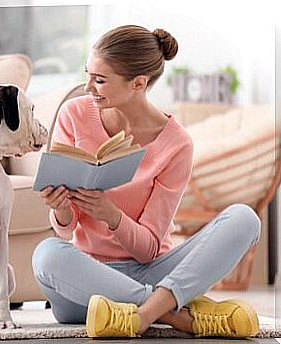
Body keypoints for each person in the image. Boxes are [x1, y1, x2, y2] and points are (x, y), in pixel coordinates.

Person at [32, 25, 261, 338]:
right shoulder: (74, 114)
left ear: (138, 83)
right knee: (47, 254)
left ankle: (141, 315)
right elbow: (67, 229)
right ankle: (175, 317)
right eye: (88, 74)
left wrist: (111, 215)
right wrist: (59, 209)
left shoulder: (177, 144)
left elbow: (148, 250)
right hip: (85, 284)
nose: (88, 87)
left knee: (244, 219)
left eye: (99, 80)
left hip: (153, 272)